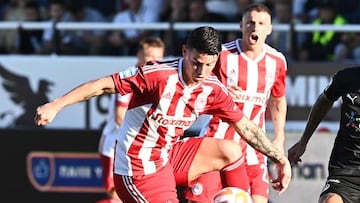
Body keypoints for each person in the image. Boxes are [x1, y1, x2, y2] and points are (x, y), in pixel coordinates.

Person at [34, 26, 291, 203]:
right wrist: (56, 105)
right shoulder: (156, 76)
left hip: (168, 155)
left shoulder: (212, 89)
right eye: (196, 63)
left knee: (231, 151)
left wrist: (279, 157)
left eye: (209, 65)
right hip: (136, 168)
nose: (201, 71)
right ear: (184, 52)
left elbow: (246, 127)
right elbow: (101, 85)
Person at [184, 3, 288, 203]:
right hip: (216, 141)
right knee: (199, 200)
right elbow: (195, 84)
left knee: (257, 199)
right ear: (241, 26)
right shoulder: (222, 55)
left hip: (253, 147)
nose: (255, 27)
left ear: (269, 29)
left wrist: (279, 139)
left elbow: (278, 100)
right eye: (250, 22)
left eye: (260, 23)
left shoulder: (277, 61)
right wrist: (217, 90)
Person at [97, 36, 165, 203]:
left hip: (140, 149)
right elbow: (121, 116)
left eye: (159, 58)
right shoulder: (131, 78)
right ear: (139, 56)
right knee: (116, 195)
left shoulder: (160, 79)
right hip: (116, 147)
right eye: (150, 57)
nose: (155, 62)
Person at [288, 66, 360, 203]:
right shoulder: (347, 77)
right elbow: (325, 100)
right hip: (347, 170)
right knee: (330, 201)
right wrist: (303, 141)